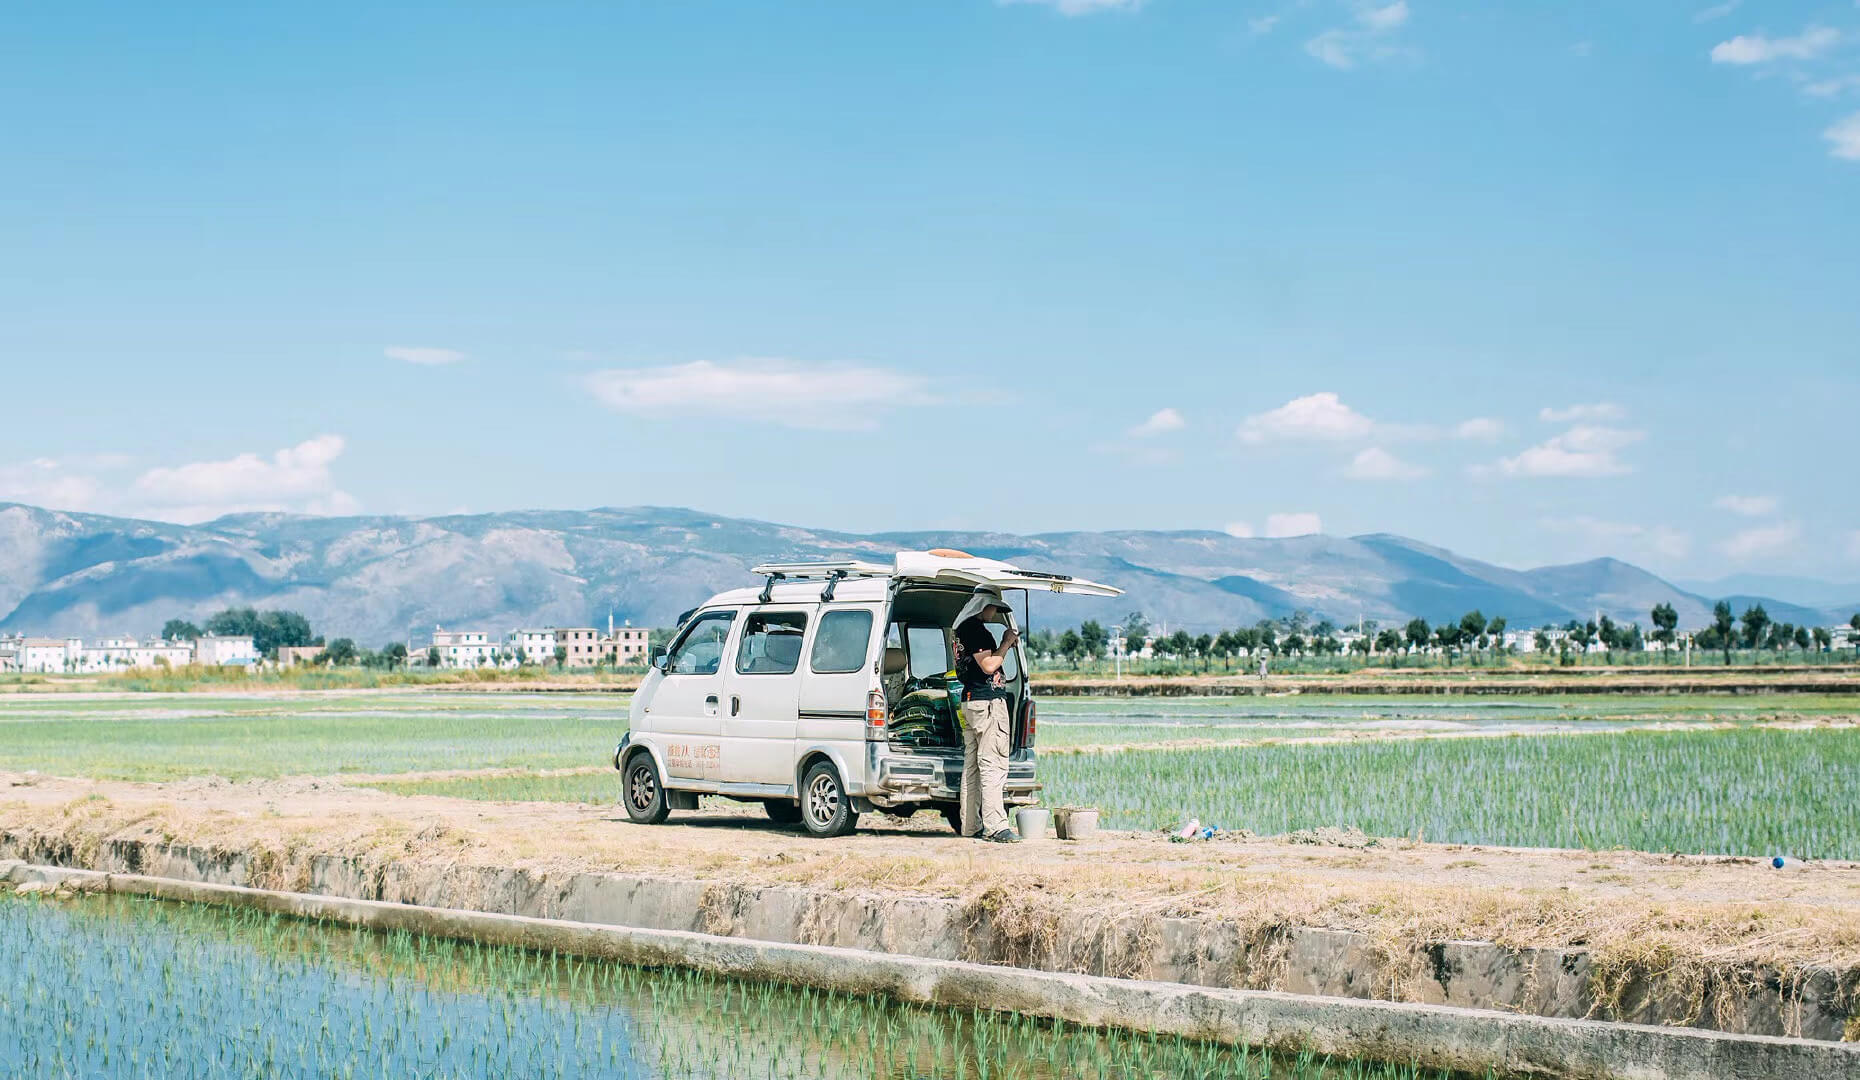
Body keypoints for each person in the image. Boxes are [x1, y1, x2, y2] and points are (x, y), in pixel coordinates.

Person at [953, 586, 1019, 843]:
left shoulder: (961, 630)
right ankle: (995, 826)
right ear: (984, 605)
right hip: (987, 703)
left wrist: (1003, 647)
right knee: (993, 764)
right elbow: (989, 665)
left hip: (970, 701)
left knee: (972, 766)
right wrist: (1006, 644)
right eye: (993, 607)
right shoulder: (976, 630)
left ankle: (970, 825)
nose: (994, 612)